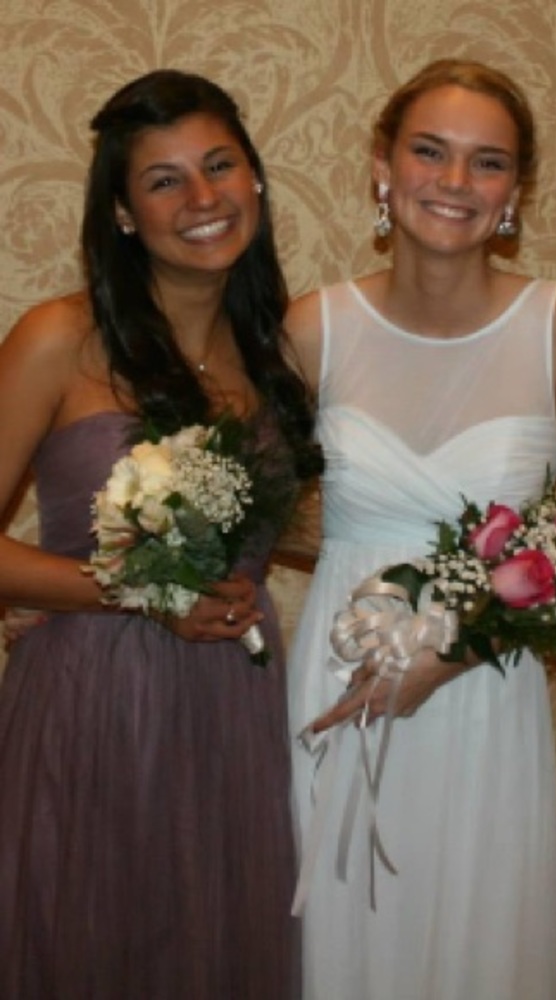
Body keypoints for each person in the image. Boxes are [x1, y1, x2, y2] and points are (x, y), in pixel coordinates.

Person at [284, 58, 556, 999]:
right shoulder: (315, 327)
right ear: (382, 168)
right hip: (339, 677)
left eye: (488, 163)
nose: (454, 183)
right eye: (429, 152)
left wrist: (448, 655)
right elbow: (264, 509)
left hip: (482, 685)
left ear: (514, 191)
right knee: (342, 935)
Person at [0, 69, 321, 999]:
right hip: (93, 705)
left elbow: (302, 530)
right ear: (125, 214)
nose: (203, 197)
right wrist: (142, 590)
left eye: (220, 165)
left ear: (256, 179)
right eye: (165, 179)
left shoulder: (278, 358)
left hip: (234, 705)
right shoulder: (59, 338)